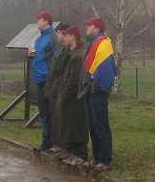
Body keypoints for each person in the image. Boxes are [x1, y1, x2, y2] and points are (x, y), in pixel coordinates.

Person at [79, 17, 118, 172]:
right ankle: (97, 158)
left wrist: (98, 85)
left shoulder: (103, 44)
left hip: (98, 90)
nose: (86, 28)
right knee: (93, 125)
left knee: (101, 125)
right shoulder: (94, 43)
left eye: (89, 26)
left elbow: (105, 69)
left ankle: (105, 159)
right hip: (90, 88)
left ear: (96, 28)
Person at [55, 25, 90, 166]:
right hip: (69, 96)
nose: (64, 38)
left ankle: (79, 154)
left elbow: (74, 80)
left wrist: (65, 95)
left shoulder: (78, 56)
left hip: (75, 98)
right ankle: (69, 151)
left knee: (76, 125)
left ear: (73, 36)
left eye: (67, 35)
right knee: (69, 125)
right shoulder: (72, 54)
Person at [45, 23, 71, 157]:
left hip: (60, 87)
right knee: (54, 116)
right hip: (54, 87)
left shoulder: (67, 52)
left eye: (59, 33)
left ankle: (61, 144)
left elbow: (59, 69)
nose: (57, 36)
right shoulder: (60, 50)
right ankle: (56, 143)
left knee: (60, 117)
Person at [32, 12, 56, 151]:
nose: (37, 23)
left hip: (48, 79)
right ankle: (46, 141)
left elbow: (55, 58)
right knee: (43, 112)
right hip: (39, 78)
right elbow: (40, 56)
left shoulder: (52, 37)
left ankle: (51, 141)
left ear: (46, 21)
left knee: (50, 112)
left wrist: (52, 76)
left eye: (39, 20)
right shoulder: (39, 39)